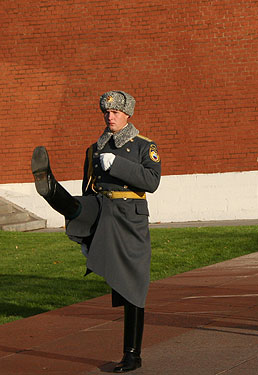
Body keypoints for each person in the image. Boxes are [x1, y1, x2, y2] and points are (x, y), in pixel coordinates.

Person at [31, 90, 161, 372]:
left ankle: (132, 354)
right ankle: (51, 190)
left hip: (130, 218)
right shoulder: (95, 149)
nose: (109, 116)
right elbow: (88, 188)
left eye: (114, 112)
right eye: (106, 112)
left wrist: (118, 165)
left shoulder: (143, 146)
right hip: (101, 211)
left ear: (128, 114)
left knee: (133, 286)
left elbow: (151, 182)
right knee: (79, 204)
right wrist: (87, 235)